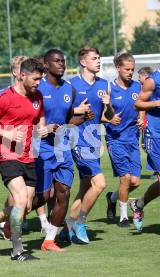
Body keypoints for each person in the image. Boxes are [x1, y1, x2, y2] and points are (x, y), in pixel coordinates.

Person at [0, 58, 48, 261]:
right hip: (7, 156)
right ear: (22, 75)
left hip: (29, 155)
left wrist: (42, 128)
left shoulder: (38, 96)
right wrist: (5, 134)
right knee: (19, 200)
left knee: (25, 205)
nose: (38, 83)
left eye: (40, 79)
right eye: (35, 79)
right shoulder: (5, 98)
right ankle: (17, 250)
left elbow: (39, 119)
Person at [32, 49, 91, 252]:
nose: (62, 64)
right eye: (57, 61)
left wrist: (82, 117)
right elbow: (27, 120)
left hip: (62, 147)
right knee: (41, 196)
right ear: (46, 65)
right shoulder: (38, 89)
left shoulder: (69, 89)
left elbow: (67, 120)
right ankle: (6, 219)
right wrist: (42, 130)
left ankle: (49, 240)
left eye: (63, 61)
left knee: (63, 193)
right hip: (41, 147)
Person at [59, 47, 114, 244]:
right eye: (94, 58)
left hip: (94, 141)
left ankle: (67, 227)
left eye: (99, 58)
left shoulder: (104, 85)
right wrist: (79, 112)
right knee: (100, 183)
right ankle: (80, 222)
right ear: (83, 62)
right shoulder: (71, 85)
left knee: (85, 187)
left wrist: (108, 105)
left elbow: (108, 117)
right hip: (76, 139)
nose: (98, 61)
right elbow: (63, 114)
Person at [104, 53, 143, 227]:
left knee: (135, 181)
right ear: (118, 68)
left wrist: (142, 117)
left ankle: (112, 197)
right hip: (115, 139)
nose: (130, 72)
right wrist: (110, 113)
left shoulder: (137, 87)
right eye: (127, 69)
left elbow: (141, 106)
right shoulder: (109, 88)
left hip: (133, 140)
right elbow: (103, 115)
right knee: (125, 178)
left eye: (132, 69)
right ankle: (124, 217)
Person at [130, 67, 160, 232]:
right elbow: (138, 104)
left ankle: (138, 203)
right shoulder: (153, 80)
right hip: (156, 134)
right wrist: (157, 103)